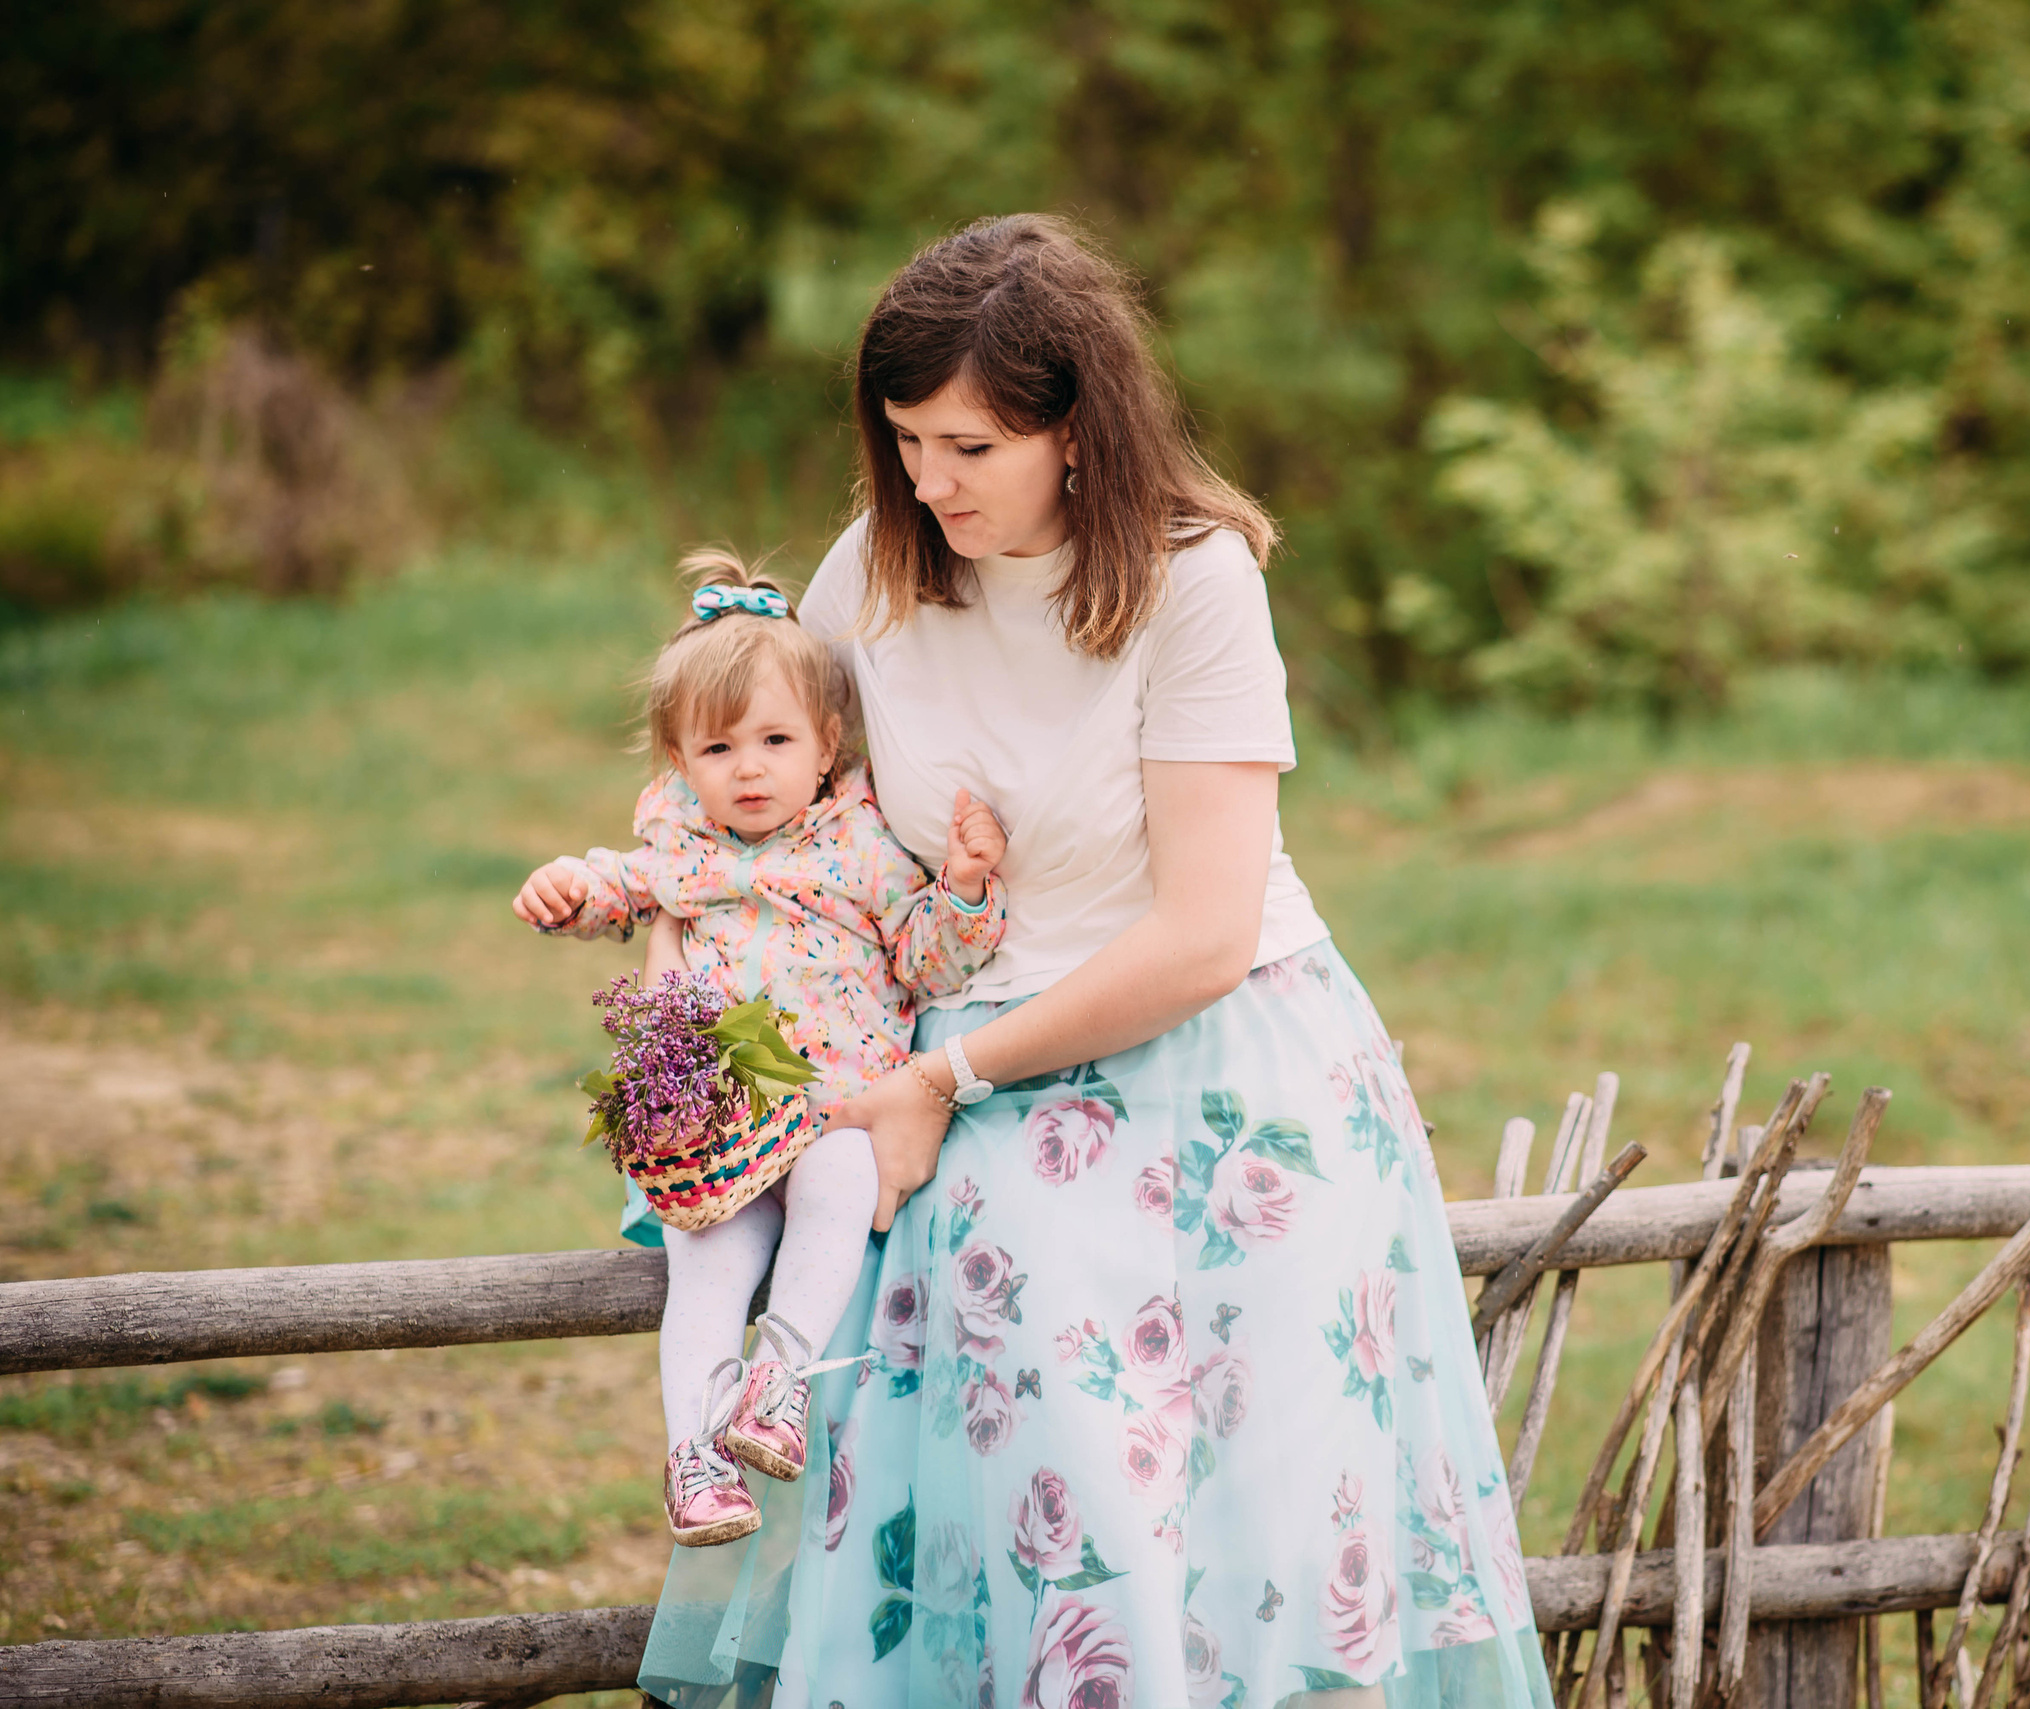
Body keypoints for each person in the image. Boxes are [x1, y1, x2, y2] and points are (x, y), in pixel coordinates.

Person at [636, 215, 1549, 1709]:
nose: (929, 481)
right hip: (951, 1075)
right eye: (906, 439)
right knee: (1021, 1516)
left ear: (1080, 431)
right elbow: (751, 807)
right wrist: (701, 1020)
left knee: (1192, 1549)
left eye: (971, 445)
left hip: (1209, 1067)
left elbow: (1203, 932)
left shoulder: (1196, 583)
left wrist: (941, 1073)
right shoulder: (872, 567)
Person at [513, 549, 1009, 1549]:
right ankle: (694, 1454)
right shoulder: (684, 842)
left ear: (827, 744)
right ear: (678, 760)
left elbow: (923, 960)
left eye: (774, 739)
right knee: (706, 1267)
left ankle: (776, 1377)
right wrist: (568, 883)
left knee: (838, 1179)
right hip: (719, 1125)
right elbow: (621, 882)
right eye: (716, 746)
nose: (747, 767)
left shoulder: (863, 843)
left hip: (830, 1105)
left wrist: (959, 891)